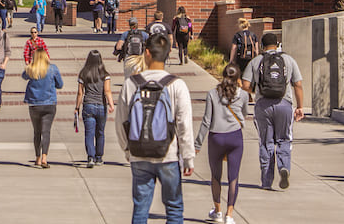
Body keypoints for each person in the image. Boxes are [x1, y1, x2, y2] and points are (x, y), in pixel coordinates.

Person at [116, 32, 195, 224]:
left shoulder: (131, 84)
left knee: (141, 207)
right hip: (168, 154)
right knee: (174, 207)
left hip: (139, 153)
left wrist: (128, 149)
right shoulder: (177, 85)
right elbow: (184, 123)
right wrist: (188, 157)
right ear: (168, 54)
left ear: (147, 53)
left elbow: (121, 122)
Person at [241, 32, 304, 190]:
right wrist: (300, 106)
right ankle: (284, 167)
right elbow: (298, 84)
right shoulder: (288, 60)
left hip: (263, 106)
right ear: (278, 44)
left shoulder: (256, 61)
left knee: (265, 142)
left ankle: (267, 181)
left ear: (262, 46)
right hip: (284, 104)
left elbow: (245, 85)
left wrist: (258, 92)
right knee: (284, 139)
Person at [195, 63, 248, 224]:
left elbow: (206, 121)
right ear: (238, 78)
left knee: (216, 176)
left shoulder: (212, 93)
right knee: (233, 177)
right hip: (235, 137)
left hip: (216, 136)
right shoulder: (243, 95)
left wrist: (197, 144)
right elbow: (244, 114)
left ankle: (217, 211)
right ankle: (229, 214)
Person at [22, 48, 63, 168]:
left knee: (37, 132)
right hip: (49, 103)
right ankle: (45, 157)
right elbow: (60, 84)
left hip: (35, 104)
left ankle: (38, 157)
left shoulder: (31, 69)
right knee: (46, 131)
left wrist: (31, 64)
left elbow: (24, 76)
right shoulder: (53, 68)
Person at [75, 50, 115, 168]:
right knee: (100, 133)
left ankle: (90, 157)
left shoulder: (83, 74)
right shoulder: (105, 74)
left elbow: (80, 93)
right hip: (101, 106)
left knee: (89, 133)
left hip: (88, 105)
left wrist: (77, 107)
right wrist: (111, 104)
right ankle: (99, 157)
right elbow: (107, 91)